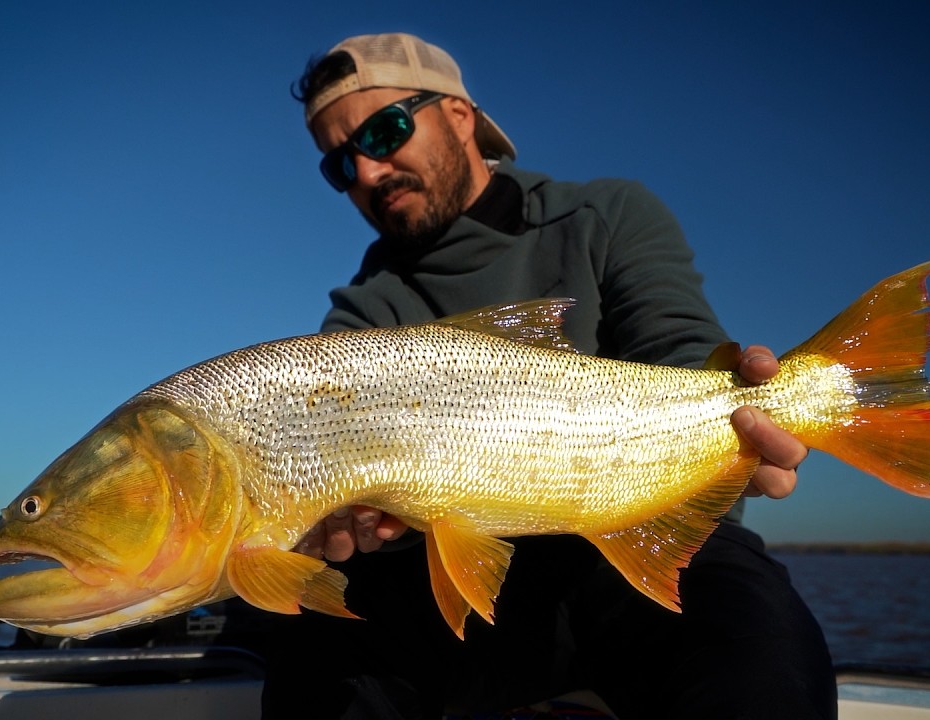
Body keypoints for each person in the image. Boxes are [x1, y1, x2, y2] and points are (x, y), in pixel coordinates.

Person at [263, 32, 836, 719]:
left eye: (384, 132)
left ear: (460, 115)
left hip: (644, 545)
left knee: (758, 647)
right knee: (315, 666)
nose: (366, 172)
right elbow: (339, 488)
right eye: (338, 164)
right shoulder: (363, 313)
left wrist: (746, 427)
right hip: (466, 591)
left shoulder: (606, 215)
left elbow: (681, 347)